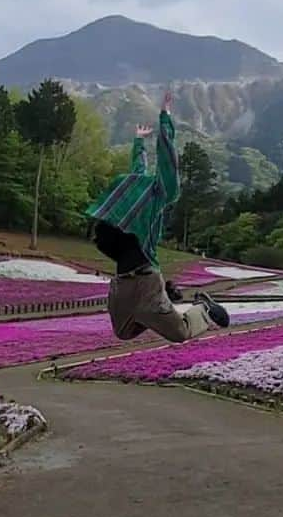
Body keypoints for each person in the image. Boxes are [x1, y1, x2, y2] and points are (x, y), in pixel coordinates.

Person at [86, 90, 229, 342]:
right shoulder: (135, 188)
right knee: (123, 333)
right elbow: (138, 168)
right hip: (123, 283)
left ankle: (204, 309)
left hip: (146, 279)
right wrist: (138, 142)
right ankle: (162, 305)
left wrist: (165, 119)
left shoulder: (158, 194)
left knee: (180, 333)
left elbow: (166, 159)